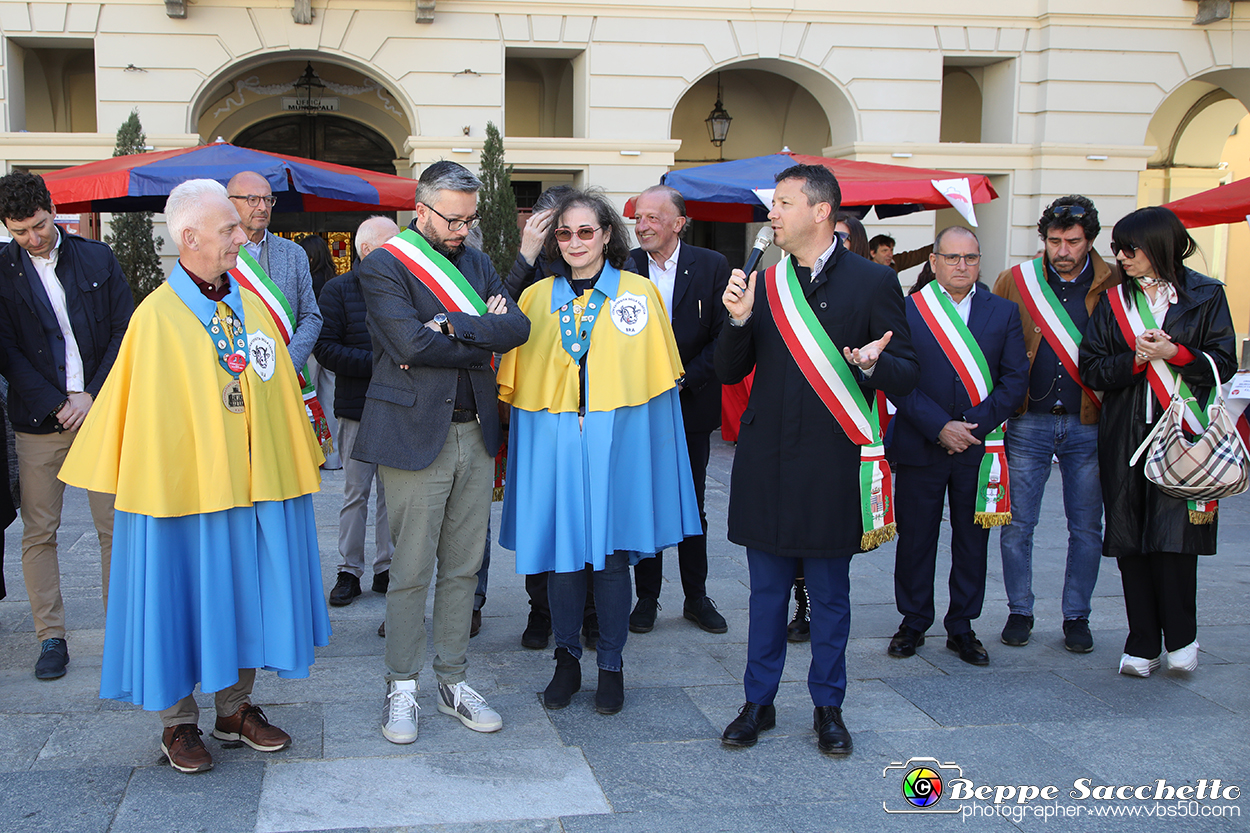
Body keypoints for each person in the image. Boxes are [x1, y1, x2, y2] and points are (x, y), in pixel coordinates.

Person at [58, 178, 330, 774]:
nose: (242, 235)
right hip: (182, 494)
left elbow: (273, 388)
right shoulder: (154, 319)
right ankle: (178, 723)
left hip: (249, 488)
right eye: (229, 228)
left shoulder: (253, 306)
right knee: (179, 592)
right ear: (189, 238)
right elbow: (148, 422)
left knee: (244, 590)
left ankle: (234, 710)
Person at [715, 164, 918, 755]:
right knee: (766, 595)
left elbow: (907, 373)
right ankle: (758, 701)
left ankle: (829, 707)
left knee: (829, 597)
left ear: (821, 210)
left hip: (834, 466)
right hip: (768, 463)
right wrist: (737, 320)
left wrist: (874, 363)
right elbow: (728, 372)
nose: (771, 213)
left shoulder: (873, 283)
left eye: (782, 203)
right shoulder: (765, 282)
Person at [499, 189, 701, 716]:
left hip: (618, 443)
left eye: (586, 231)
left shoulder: (639, 294)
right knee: (563, 560)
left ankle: (611, 666)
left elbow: (657, 387)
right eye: (564, 233)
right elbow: (511, 365)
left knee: (611, 560)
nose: (574, 242)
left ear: (608, 235)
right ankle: (566, 661)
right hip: (555, 441)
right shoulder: (534, 297)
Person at [354, 161, 529, 744]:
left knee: (463, 565)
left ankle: (453, 680)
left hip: (475, 430)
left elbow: (517, 329)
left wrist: (451, 328)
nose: (463, 230)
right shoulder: (383, 265)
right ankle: (400, 685)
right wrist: (478, 331)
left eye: (469, 219)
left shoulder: (477, 261)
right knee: (409, 567)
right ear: (421, 209)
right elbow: (407, 341)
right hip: (412, 432)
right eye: (453, 219)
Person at [1078, 206, 1235, 677]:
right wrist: (1136, 360)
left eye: (1131, 248)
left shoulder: (1207, 295)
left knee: (1176, 540)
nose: (1122, 257)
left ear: (1160, 247)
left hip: (1187, 433)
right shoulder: (1112, 302)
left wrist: (1175, 353)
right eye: (1118, 248)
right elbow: (1091, 368)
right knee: (1130, 537)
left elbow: (1223, 362)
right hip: (1126, 435)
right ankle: (1142, 641)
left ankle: (1182, 638)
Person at [0, 171, 133, 680]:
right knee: (39, 531)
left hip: (99, 412)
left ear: (52, 210)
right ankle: (50, 637)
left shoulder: (97, 258)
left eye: (37, 225)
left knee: (116, 529)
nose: (32, 239)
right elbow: (8, 353)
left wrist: (92, 395)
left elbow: (126, 329)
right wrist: (59, 403)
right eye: (19, 232)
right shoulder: (1, 273)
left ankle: (121, 630)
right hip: (39, 419)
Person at [887, 227, 1029, 665]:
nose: (961, 266)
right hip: (921, 442)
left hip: (978, 447)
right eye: (952, 258)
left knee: (972, 540)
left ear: (979, 261)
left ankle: (963, 626)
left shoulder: (1003, 312)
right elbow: (897, 379)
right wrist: (938, 426)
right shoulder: (910, 311)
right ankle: (913, 621)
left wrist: (970, 426)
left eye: (970, 258)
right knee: (916, 538)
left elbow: (1014, 380)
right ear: (934, 262)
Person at [992, 195, 1116, 653]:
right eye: (1054, 241)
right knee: (1017, 524)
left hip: (1089, 421)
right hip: (1029, 420)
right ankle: (1019, 611)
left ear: (1090, 241)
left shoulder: (1114, 282)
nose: (1063, 251)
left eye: (1073, 242)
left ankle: (1076, 616)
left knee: (1086, 527)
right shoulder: (1016, 280)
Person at [625, 184, 731, 636]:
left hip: (691, 402)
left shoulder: (711, 266)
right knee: (643, 501)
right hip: (636, 405)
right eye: (638, 217)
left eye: (652, 217)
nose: (641, 225)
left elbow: (724, 336)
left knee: (692, 503)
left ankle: (695, 597)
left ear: (678, 223)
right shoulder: (622, 266)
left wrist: (685, 376)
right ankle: (646, 598)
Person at [316, 217, 400, 607]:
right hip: (356, 408)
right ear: (367, 250)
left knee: (392, 494)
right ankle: (349, 570)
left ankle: (386, 568)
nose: (400, 251)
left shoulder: (405, 287)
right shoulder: (337, 290)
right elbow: (326, 348)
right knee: (356, 493)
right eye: (391, 244)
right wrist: (379, 362)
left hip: (399, 408)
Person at [226, 171, 331, 457]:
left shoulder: (293, 253)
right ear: (230, 202)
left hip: (287, 379)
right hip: (237, 379)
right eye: (252, 199)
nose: (262, 207)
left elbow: (311, 316)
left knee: (287, 462)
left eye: (267, 199)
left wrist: (286, 364)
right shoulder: (220, 252)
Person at [299, 233, 341, 469]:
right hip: (332, 350)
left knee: (307, 403)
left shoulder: (304, 283)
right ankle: (332, 456)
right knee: (329, 403)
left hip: (310, 351)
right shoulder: (334, 281)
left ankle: (312, 456)